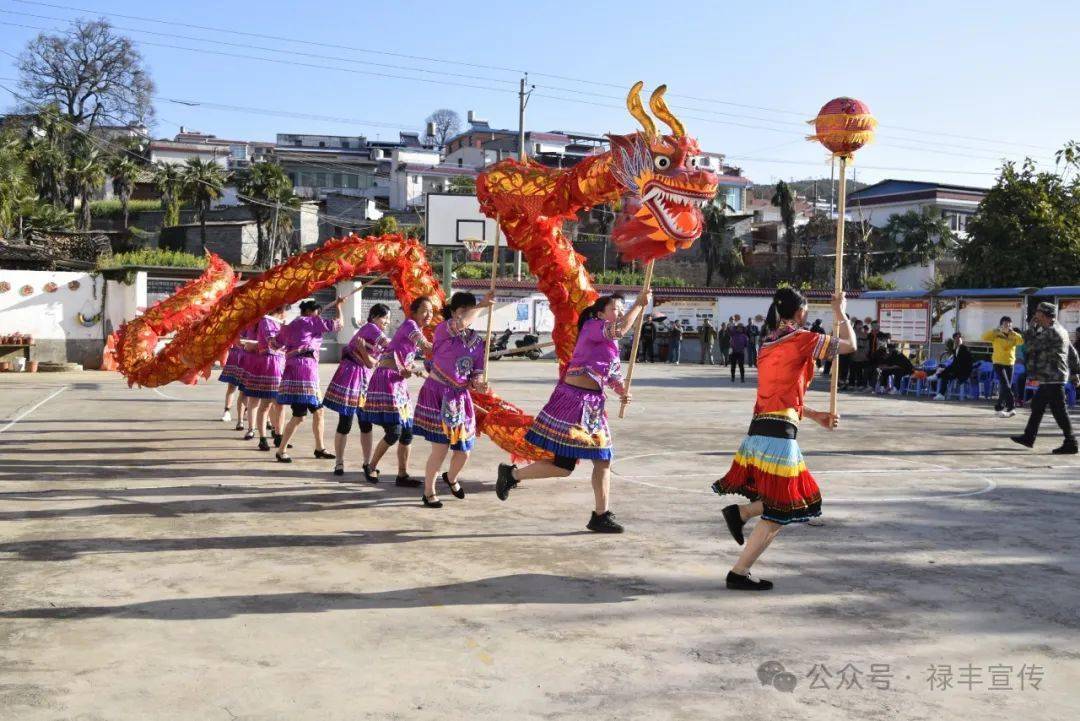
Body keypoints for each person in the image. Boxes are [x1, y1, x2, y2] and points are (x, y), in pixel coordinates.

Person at [712, 287, 855, 591]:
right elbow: (851, 346)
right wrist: (840, 311)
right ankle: (739, 571)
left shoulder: (767, 344)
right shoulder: (803, 339)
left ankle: (743, 513)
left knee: (783, 502)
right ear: (801, 312)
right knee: (781, 510)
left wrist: (815, 415)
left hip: (760, 431)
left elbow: (782, 396)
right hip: (778, 437)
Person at [495, 290, 650, 533]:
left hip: (593, 405)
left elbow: (612, 376)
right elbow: (619, 329)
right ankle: (512, 475)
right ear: (601, 313)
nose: (619, 312)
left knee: (601, 459)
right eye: (615, 309)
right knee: (565, 466)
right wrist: (639, 306)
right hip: (573, 402)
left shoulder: (612, 344)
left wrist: (621, 391)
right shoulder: (592, 326)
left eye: (622, 309)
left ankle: (601, 514)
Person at [414, 291, 495, 508]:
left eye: (470, 310)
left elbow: (476, 371)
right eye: (462, 311)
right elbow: (462, 322)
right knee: (439, 449)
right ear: (452, 312)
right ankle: (428, 491)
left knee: (464, 450)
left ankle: (451, 477)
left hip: (460, 397)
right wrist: (481, 305)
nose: (467, 315)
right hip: (438, 392)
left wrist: (479, 383)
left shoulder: (478, 341)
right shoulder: (444, 330)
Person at [359, 296, 435, 485]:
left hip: (399, 382)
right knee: (394, 431)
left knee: (407, 432)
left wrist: (413, 369)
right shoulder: (410, 325)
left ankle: (402, 475)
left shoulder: (417, 329)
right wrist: (451, 348)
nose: (429, 314)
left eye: (431, 311)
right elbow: (425, 346)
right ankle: (371, 466)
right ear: (415, 312)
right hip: (386, 380)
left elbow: (406, 355)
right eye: (425, 310)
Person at [323, 303, 392, 478]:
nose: (387, 322)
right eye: (385, 318)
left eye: (389, 319)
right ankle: (339, 462)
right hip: (350, 375)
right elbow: (389, 347)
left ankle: (367, 462)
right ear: (375, 317)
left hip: (364, 378)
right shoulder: (370, 328)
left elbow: (372, 362)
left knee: (365, 423)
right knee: (345, 421)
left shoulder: (374, 332)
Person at [273, 298, 345, 462]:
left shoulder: (292, 325)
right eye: (317, 312)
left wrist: (283, 331)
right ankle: (281, 450)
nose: (318, 315)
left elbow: (274, 344)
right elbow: (339, 325)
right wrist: (339, 307)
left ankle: (319, 448)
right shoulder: (310, 321)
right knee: (299, 416)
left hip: (297, 369)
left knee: (318, 412)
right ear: (309, 312)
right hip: (304, 370)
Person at [1011, 302, 1079, 454]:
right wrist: (1075, 373)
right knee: (1037, 405)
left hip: (1053, 377)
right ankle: (1029, 437)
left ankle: (1071, 442)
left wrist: (1031, 328)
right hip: (1051, 377)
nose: (1036, 316)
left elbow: (1030, 345)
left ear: (1044, 314)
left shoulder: (1051, 331)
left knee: (1059, 411)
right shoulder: (1061, 330)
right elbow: (1073, 354)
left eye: (1038, 313)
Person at [241, 307, 287, 450]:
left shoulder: (278, 321)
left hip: (280, 364)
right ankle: (262, 437)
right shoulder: (266, 321)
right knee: (265, 404)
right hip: (269, 364)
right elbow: (273, 343)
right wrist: (287, 333)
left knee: (279, 404)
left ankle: (279, 436)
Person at [982, 316, 1024, 418]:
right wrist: (996, 330)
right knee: (1006, 385)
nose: (1008, 326)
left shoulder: (1013, 335)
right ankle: (1011, 407)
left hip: (1010, 363)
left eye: (1010, 324)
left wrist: (1014, 333)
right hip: (998, 362)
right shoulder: (996, 334)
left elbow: (1021, 341)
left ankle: (999, 407)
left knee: (1005, 386)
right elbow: (984, 337)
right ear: (1001, 325)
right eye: (1005, 324)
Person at [932, 332, 974, 400]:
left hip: (963, 372)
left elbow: (960, 364)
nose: (957, 340)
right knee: (940, 372)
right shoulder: (956, 350)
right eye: (955, 339)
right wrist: (945, 367)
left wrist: (947, 369)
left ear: (961, 339)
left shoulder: (964, 349)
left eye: (958, 338)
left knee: (943, 374)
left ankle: (941, 394)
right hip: (957, 370)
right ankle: (939, 393)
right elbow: (954, 363)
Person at [218, 332, 246, 427]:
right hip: (235, 355)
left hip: (248, 356)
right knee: (231, 387)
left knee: (245, 390)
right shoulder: (237, 322)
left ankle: (245, 411)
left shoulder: (257, 323)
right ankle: (227, 411)